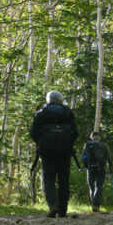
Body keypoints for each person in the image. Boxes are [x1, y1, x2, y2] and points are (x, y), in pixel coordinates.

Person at [29, 90, 79, 218]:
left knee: (49, 179)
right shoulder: (68, 113)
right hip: (65, 151)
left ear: (48, 99)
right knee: (64, 180)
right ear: (61, 99)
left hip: (47, 151)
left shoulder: (40, 114)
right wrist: (68, 143)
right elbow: (76, 132)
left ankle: (52, 206)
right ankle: (63, 211)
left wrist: (41, 142)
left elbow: (33, 132)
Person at [81, 131, 111, 212]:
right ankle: (96, 205)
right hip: (101, 168)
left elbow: (83, 157)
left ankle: (94, 203)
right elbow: (109, 158)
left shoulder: (87, 144)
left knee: (91, 186)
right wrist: (111, 168)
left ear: (91, 137)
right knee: (99, 186)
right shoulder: (104, 145)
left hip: (90, 168)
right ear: (99, 137)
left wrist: (85, 166)